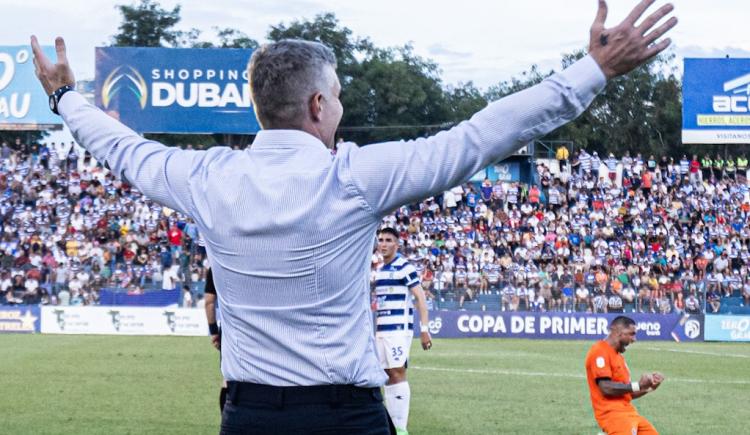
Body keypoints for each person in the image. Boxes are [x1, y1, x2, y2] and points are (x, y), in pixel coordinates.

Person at [31, 0, 677, 431]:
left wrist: (65, 96)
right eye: (338, 95)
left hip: (250, 416)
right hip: (345, 416)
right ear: (317, 103)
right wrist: (594, 70)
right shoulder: (354, 176)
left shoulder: (206, 178)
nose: (341, 105)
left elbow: (121, 148)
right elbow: (479, 136)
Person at [373, 228, 432, 435]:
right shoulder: (379, 270)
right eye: (381, 240)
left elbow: (420, 297)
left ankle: (401, 428)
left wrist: (424, 330)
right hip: (381, 330)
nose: (384, 244)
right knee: (387, 374)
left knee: (398, 372)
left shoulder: (404, 267)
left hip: (398, 329)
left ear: (396, 244)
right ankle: (393, 424)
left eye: (388, 240)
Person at [585, 316, 665, 434]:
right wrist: (638, 385)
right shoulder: (600, 351)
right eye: (631, 334)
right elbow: (605, 388)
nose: (634, 339)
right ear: (618, 332)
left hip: (629, 413)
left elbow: (627, 393)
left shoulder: (618, 357)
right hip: (613, 415)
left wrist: (648, 387)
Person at [203, 267, 228, 413]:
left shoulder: (217, 265)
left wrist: (213, 331)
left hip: (230, 330)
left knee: (228, 379)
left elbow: (209, 302)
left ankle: (228, 422)